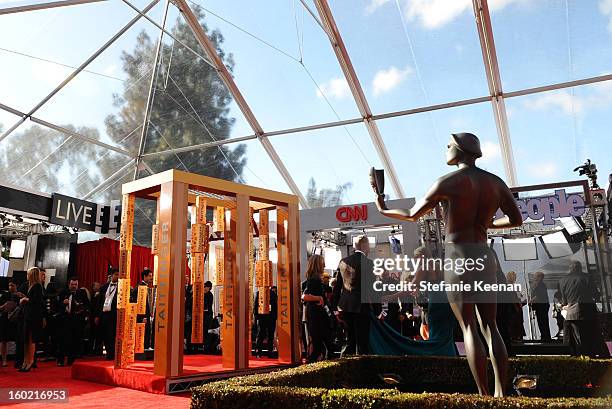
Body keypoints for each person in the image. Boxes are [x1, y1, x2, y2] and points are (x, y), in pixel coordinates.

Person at [372, 132, 523, 397]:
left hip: (458, 257)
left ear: (461, 150)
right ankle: (501, 394)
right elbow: (516, 219)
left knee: (468, 328)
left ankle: (484, 396)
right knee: (491, 327)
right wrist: (487, 223)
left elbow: (411, 214)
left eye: (449, 145)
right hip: (484, 255)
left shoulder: (447, 182)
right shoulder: (495, 183)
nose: (446, 149)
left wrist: (383, 208)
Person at [332, 235, 374, 356]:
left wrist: (335, 308)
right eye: (369, 245)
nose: (369, 248)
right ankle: (362, 372)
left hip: (345, 307)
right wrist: (378, 311)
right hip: (362, 307)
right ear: (365, 245)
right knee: (362, 343)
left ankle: (345, 368)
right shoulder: (368, 263)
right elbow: (370, 289)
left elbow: (337, 286)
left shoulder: (343, 262)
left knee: (349, 341)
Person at [558, 260, 610, 357]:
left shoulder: (562, 280)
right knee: (593, 335)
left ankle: (583, 357)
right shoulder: (587, 277)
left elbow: (563, 300)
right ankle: (596, 356)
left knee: (579, 339)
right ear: (580, 268)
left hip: (572, 314)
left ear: (570, 269)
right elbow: (595, 294)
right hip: (588, 312)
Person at [302, 255, 334, 363]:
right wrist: (318, 298)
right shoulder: (313, 280)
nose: (324, 265)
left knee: (324, 347)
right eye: (322, 262)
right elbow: (304, 296)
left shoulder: (317, 279)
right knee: (319, 348)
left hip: (320, 317)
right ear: (318, 265)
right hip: (317, 317)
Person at [56, 277, 90, 366]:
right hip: (65, 320)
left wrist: (83, 312)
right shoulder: (63, 292)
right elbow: (56, 305)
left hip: (77, 320)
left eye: (75, 285)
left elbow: (87, 305)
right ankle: (60, 360)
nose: (74, 286)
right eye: (72, 284)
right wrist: (63, 303)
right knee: (62, 341)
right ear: (69, 284)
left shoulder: (81, 293)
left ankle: (71, 360)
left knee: (75, 341)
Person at [19, 267, 45, 372]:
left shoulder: (38, 286)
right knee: (26, 340)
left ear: (32, 275)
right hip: (27, 315)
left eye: (28, 274)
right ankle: (25, 361)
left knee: (31, 340)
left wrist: (26, 299)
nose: (27, 275)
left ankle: (30, 361)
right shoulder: (31, 286)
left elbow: (37, 301)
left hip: (34, 317)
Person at [95, 268, 119, 360]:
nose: (117, 276)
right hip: (105, 314)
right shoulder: (104, 287)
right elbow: (100, 302)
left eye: (119, 275)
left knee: (114, 335)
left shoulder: (122, 287)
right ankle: (109, 354)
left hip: (115, 314)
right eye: (116, 274)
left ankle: (114, 354)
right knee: (106, 335)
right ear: (111, 275)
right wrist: (97, 315)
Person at [254, 285, 278, 358]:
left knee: (270, 335)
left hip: (270, 317)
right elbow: (255, 305)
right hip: (262, 317)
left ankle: (269, 352)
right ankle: (259, 351)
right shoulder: (259, 293)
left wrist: (275, 317)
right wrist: (256, 316)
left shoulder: (273, 294)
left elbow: (275, 306)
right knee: (261, 334)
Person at [0, 280, 19, 366]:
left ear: (16, 286)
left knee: (18, 340)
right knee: (4, 340)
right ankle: (4, 360)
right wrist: (3, 306)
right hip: (5, 319)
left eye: (12, 285)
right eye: (9, 285)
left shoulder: (19, 295)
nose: (10, 287)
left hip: (16, 320)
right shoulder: (4, 295)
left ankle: (18, 359)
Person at [530, 271, 551, 342]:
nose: (534, 278)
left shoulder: (541, 285)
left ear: (540, 277)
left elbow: (539, 296)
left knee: (543, 321)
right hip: (540, 306)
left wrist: (530, 300)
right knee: (541, 322)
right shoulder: (539, 285)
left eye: (536, 276)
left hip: (542, 306)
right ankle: (544, 336)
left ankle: (545, 337)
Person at [137, 269, 154, 350]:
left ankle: (147, 347)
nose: (151, 278)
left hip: (148, 314)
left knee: (148, 331)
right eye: (150, 276)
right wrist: (142, 316)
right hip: (143, 315)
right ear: (145, 276)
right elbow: (140, 304)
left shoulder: (147, 287)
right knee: (144, 332)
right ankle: (144, 348)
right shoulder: (140, 287)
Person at [203, 281, 215, 353]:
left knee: (207, 331)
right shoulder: (202, 294)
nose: (205, 288)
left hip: (208, 315)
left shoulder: (210, 295)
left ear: (209, 288)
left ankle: (207, 347)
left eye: (206, 287)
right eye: (204, 287)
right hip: (203, 315)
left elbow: (208, 305)